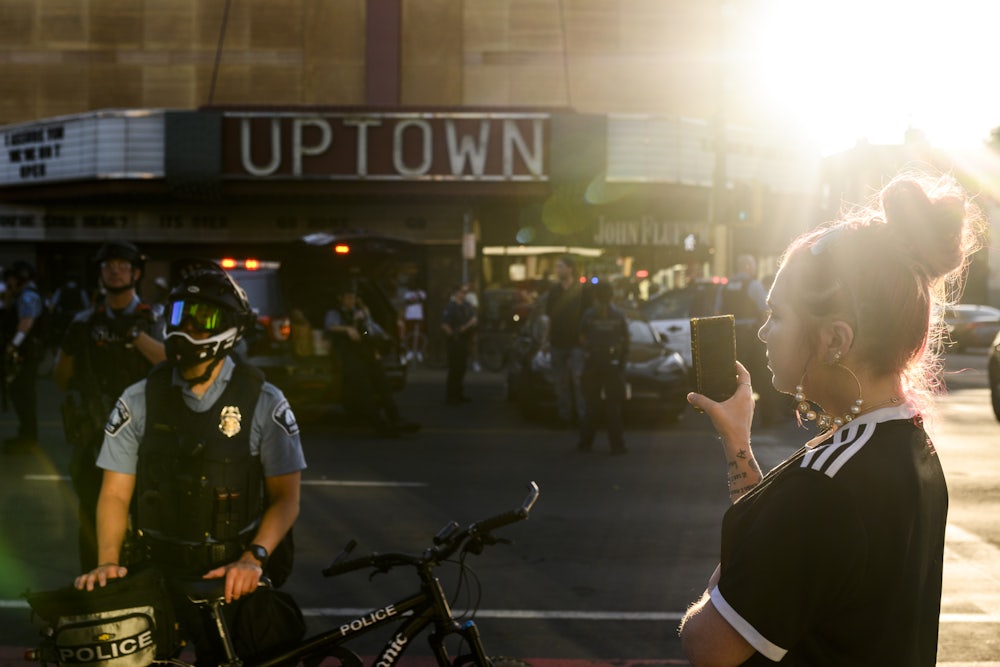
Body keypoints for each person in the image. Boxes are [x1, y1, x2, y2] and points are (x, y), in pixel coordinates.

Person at [678, 173, 984, 665]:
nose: (762, 333)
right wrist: (736, 438)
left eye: (777, 315)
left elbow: (708, 645)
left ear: (834, 340)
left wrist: (733, 565)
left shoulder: (826, 484)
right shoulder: (904, 443)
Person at [74, 258, 307, 664]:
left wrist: (253, 559)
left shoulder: (264, 401)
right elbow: (113, 493)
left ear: (228, 326)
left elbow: (286, 499)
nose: (186, 328)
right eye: (180, 314)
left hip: (230, 570)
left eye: (203, 318)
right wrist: (107, 562)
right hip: (156, 566)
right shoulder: (138, 399)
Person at [54, 241, 166, 571]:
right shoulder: (84, 323)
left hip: (149, 439)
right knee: (92, 517)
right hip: (94, 438)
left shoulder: (154, 318)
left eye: (121, 265)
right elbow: (62, 379)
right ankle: (97, 585)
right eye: (108, 265)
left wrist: (135, 335)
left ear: (136, 273)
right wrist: (71, 343)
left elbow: (171, 365)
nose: (114, 270)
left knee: (150, 521)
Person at [326, 287, 419, 434]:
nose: (351, 301)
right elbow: (330, 326)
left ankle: (396, 418)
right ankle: (379, 424)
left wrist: (364, 324)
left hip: (367, 352)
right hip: (350, 355)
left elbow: (368, 332)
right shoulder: (335, 313)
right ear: (341, 298)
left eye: (353, 298)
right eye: (348, 298)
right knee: (365, 391)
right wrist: (347, 329)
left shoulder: (360, 313)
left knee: (383, 385)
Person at [722, 253, 784, 424]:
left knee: (733, 378)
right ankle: (769, 417)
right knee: (763, 375)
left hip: (731, 337)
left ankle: (731, 417)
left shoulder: (725, 286)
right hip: (750, 336)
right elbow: (766, 309)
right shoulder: (753, 285)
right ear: (748, 267)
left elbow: (717, 311)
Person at [577, 281, 629, 454]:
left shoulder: (589, 315)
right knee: (613, 407)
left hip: (592, 364)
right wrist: (620, 363)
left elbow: (581, 338)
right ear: (612, 295)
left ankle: (585, 444)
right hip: (612, 365)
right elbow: (626, 341)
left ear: (595, 296)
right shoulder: (619, 315)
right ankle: (617, 445)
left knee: (591, 405)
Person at [3, 261, 46, 454]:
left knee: (23, 393)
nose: (9, 282)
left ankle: (28, 437)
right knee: (20, 392)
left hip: (27, 353)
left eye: (11, 278)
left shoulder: (27, 296)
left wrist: (14, 345)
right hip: (28, 352)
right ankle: (26, 434)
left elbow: (26, 323)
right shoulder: (23, 294)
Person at [543, 255, 587, 427]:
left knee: (578, 381)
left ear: (570, 269)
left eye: (560, 267)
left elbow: (589, 316)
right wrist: (545, 341)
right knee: (560, 383)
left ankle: (583, 418)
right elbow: (550, 318)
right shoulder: (554, 292)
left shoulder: (582, 290)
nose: (557, 270)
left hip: (577, 344)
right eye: (557, 267)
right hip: (557, 343)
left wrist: (585, 339)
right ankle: (565, 416)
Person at [441, 283, 477, 404]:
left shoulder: (466, 306)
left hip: (464, 341)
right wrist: (453, 335)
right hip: (455, 341)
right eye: (462, 292)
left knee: (461, 368)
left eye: (465, 292)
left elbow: (473, 319)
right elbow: (445, 325)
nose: (464, 294)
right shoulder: (451, 307)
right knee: (454, 369)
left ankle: (459, 394)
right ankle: (451, 396)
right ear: (456, 293)